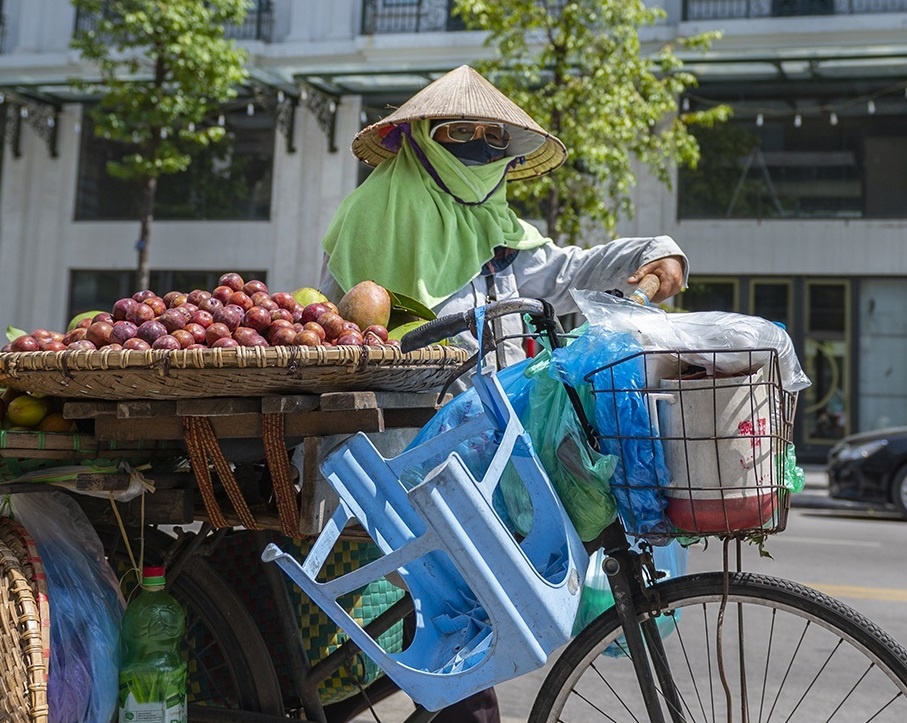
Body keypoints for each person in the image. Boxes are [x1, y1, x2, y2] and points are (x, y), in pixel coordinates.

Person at [317, 65, 689, 723]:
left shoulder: (491, 221)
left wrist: (656, 252)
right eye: (462, 131)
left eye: (494, 135)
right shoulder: (377, 213)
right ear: (426, 138)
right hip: (398, 453)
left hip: (479, 454)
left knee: (474, 632)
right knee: (465, 640)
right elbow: (373, 332)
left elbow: (562, 270)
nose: (480, 146)